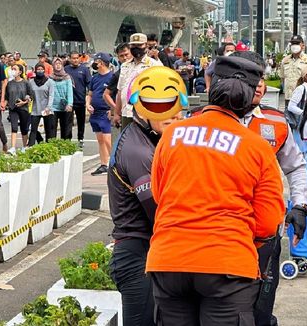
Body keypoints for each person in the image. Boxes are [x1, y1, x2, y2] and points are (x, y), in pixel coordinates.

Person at [146, 55, 285, 325]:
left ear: (210, 85)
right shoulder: (256, 147)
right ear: (249, 98)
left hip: (169, 259)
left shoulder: (172, 135)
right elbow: (269, 222)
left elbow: (159, 194)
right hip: (228, 264)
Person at [230, 51, 307, 326]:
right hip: (221, 235)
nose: (260, 84)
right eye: (252, 78)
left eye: (261, 77)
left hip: (264, 236)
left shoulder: (276, 122)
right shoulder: (206, 121)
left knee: (261, 311)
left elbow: (296, 167)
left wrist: (300, 205)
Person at [107, 66, 184, 326]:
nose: (172, 116)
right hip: (137, 254)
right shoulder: (137, 150)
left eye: (175, 108)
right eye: (161, 109)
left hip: (149, 250)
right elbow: (158, 208)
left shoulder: (150, 139)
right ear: (140, 109)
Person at [114, 33, 162, 129]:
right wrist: (116, 113)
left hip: (145, 113)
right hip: (126, 113)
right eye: (133, 45)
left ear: (146, 46)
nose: (136, 48)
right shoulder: (125, 66)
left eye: (139, 45)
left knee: (144, 141)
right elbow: (120, 91)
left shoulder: (154, 65)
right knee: (126, 141)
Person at [86, 52, 114, 175]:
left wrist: (112, 110)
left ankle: (116, 165)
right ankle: (104, 164)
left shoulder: (112, 77)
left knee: (108, 140)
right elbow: (90, 94)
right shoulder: (95, 78)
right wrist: (88, 104)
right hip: (95, 112)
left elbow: (116, 95)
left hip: (105, 112)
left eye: (96, 61)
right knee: (100, 139)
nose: (94, 64)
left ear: (101, 62)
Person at [278, 35, 307, 109]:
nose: (294, 46)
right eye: (293, 43)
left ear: (303, 45)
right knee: (288, 119)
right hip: (288, 98)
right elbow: (282, 78)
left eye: (297, 43)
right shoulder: (285, 60)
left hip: (303, 98)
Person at [4, 64, 34, 154]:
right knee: (14, 127)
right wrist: (4, 104)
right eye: (12, 69)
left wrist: (24, 102)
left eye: (15, 69)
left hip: (24, 108)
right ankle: (13, 147)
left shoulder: (26, 83)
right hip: (13, 108)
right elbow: (7, 96)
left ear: (20, 72)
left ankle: (25, 146)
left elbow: (31, 96)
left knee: (24, 128)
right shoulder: (9, 83)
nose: (12, 70)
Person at [65, 50, 92, 147]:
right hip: (68, 101)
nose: (75, 60)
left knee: (81, 121)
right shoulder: (66, 69)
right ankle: (67, 140)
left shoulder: (84, 69)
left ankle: (80, 138)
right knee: (68, 122)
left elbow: (89, 84)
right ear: (69, 58)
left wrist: (89, 97)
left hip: (80, 100)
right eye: (73, 58)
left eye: (77, 58)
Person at [28, 63, 56, 146]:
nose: (40, 71)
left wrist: (49, 107)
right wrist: (27, 98)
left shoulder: (49, 82)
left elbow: (51, 95)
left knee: (49, 129)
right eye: (38, 69)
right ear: (35, 70)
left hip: (47, 109)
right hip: (35, 108)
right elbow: (28, 93)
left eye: (42, 69)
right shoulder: (31, 82)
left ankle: (49, 146)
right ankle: (31, 145)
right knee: (33, 129)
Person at [50, 57, 74, 140]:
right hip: (53, 106)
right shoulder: (50, 78)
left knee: (66, 129)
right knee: (52, 128)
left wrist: (70, 104)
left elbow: (70, 92)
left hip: (65, 106)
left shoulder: (67, 77)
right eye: (56, 64)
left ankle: (66, 146)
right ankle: (52, 147)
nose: (58, 66)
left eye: (59, 64)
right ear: (53, 65)